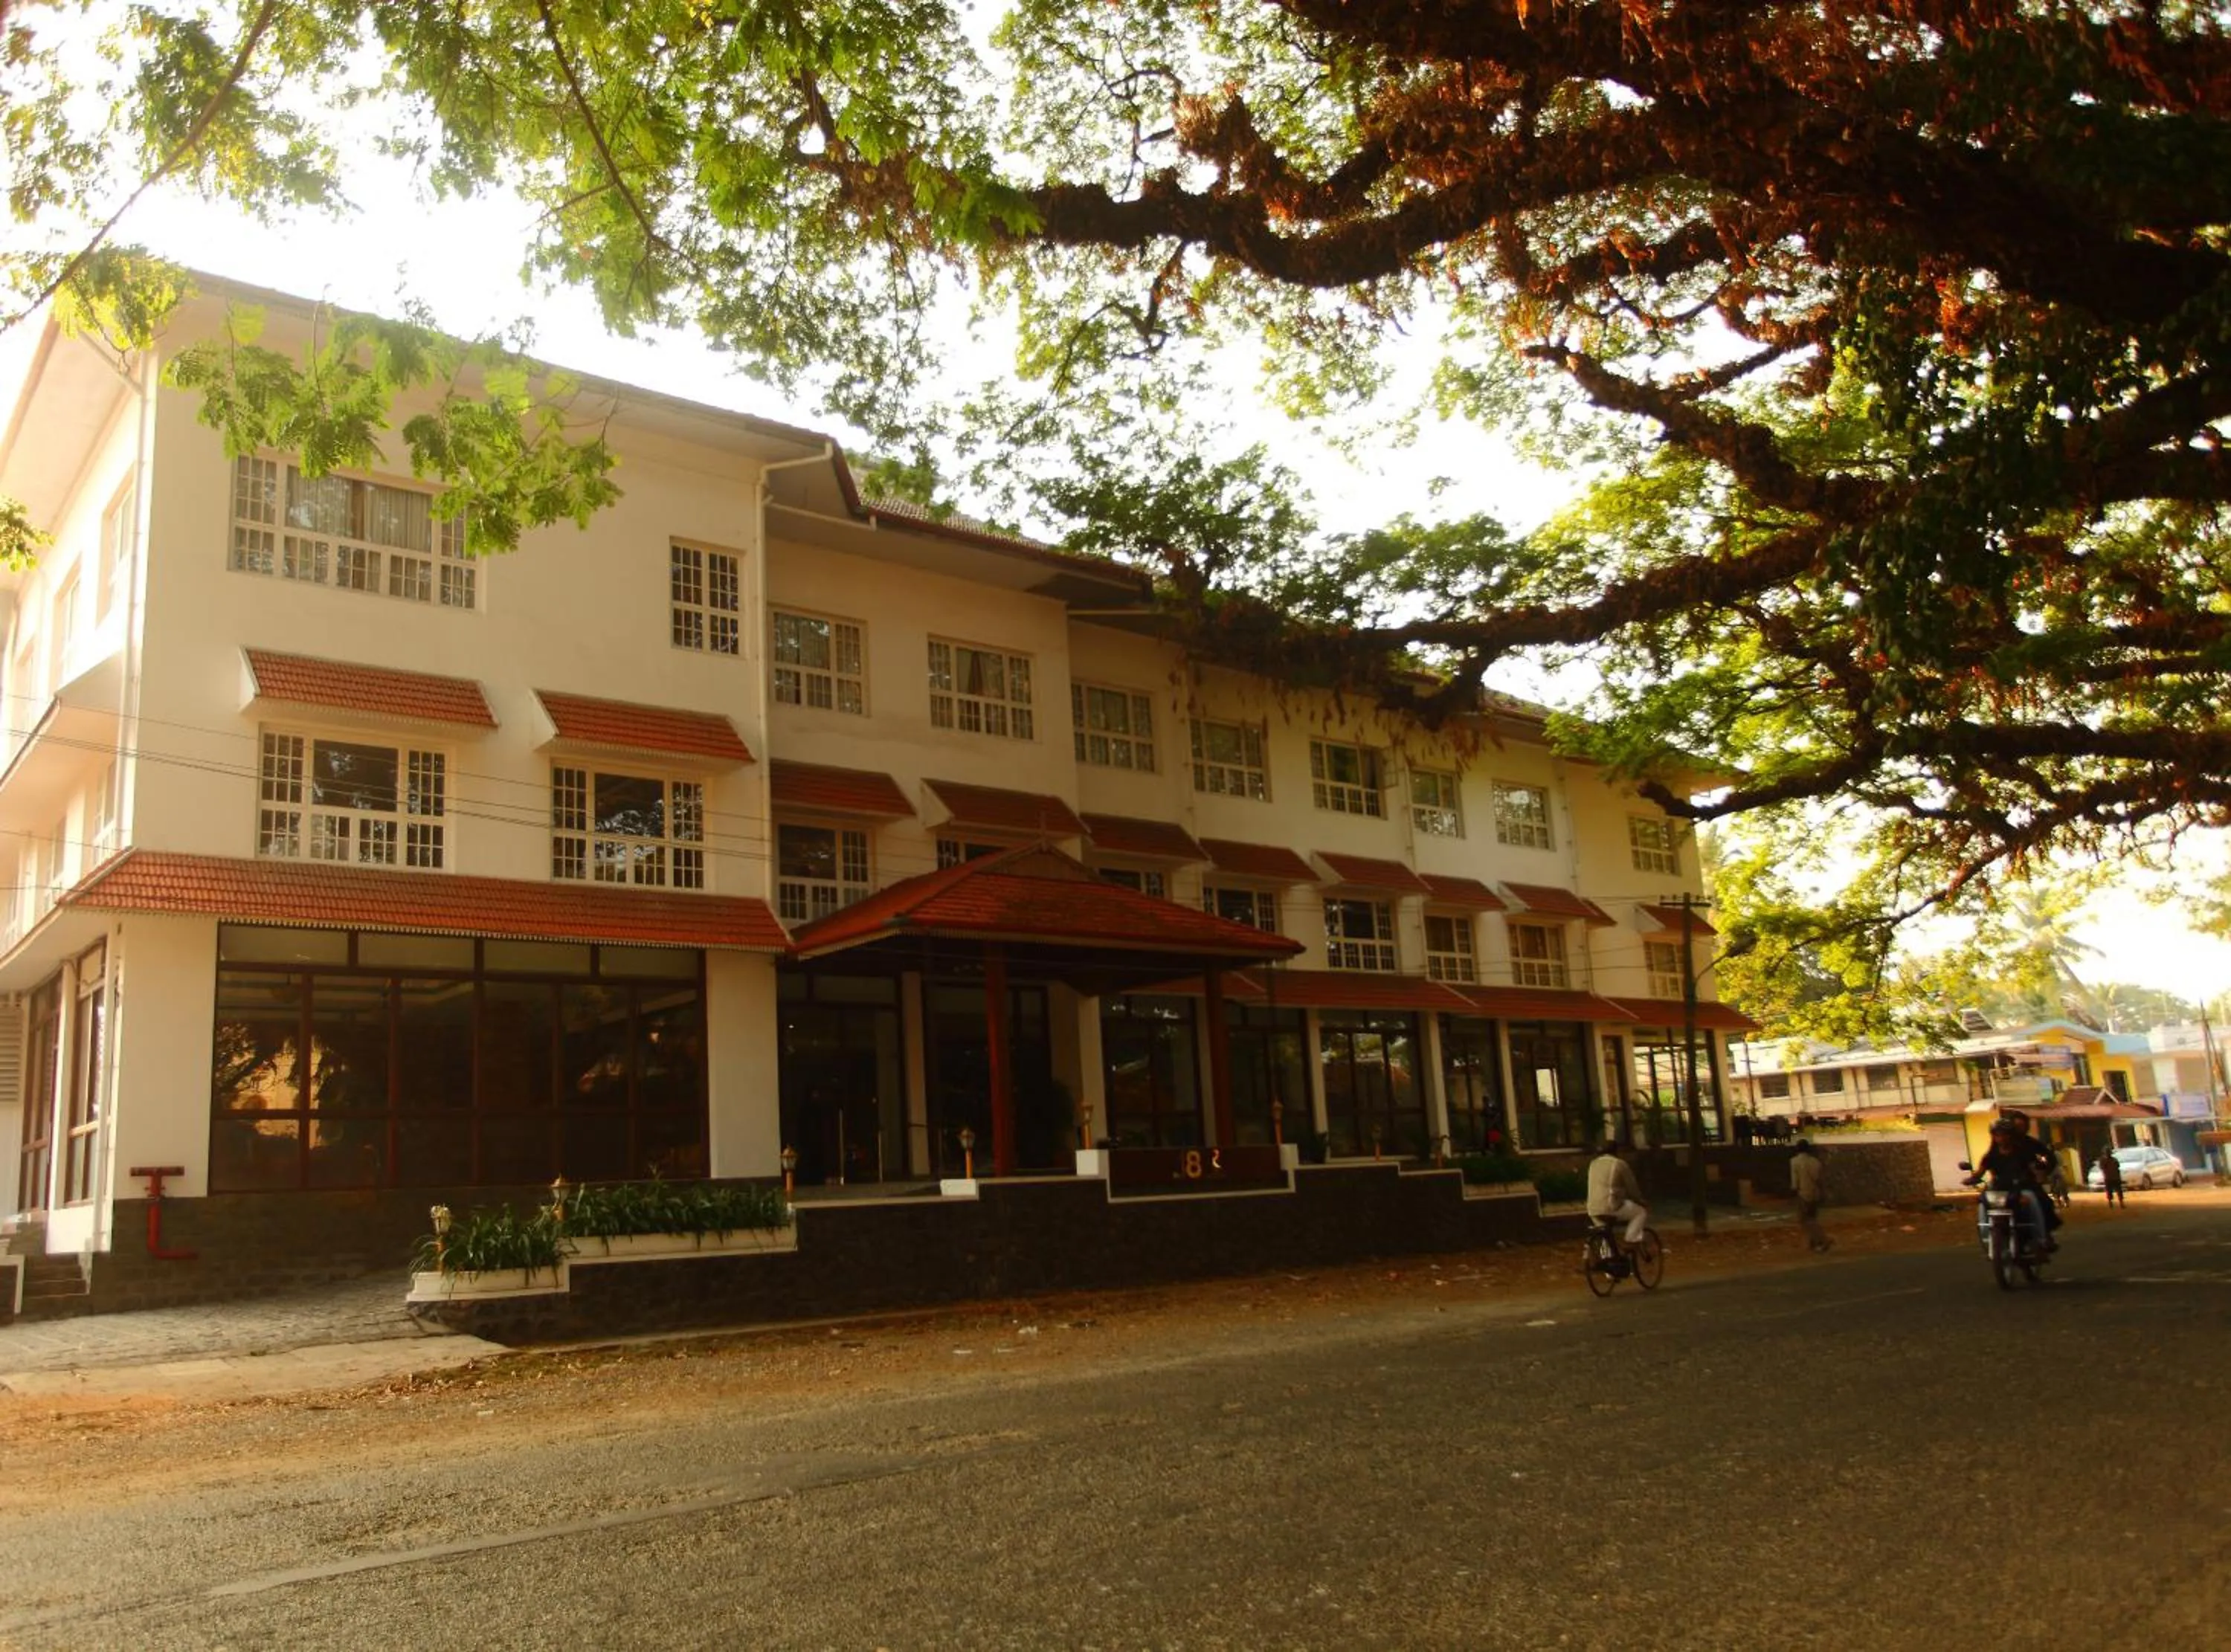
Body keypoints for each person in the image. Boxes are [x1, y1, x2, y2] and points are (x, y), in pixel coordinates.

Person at [1964, 1120, 2053, 1256]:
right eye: (1998, 1135)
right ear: (1993, 1137)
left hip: (2021, 1188)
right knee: (1982, 1202)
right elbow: (1979, 1173)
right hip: (1999, 1190)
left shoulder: (2023, 1152)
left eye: (2005, 1134)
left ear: (2011, 1136)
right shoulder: (1990, 1156)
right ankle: (1986, 1235)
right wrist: (1971, 1179)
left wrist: (2039, 1176)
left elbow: (2034, 1168)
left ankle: (2042, 1237)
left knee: (2033, 1200)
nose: (2002, 1138)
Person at [1586, 1138, 1649, 1248]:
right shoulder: (1619, 1164)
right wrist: (1640, 1201)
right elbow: (1632, 1188)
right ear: (1616, 1151)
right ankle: (1631, 1239)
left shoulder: (1593, 1164)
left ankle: (1605, 1259)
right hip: (1611, 1207)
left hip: (1593, 1208)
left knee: (1604, 1236)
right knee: (1640, 1212)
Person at [1789, 1138, 1832, 1252]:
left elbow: (1795, 1181)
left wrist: (1793, 1192)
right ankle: (1812, 1244)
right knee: (1813, 1218)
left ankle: (1823, 1239)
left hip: (1803, 1193)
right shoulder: (1815, 1162)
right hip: (1815, 1193)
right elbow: (1820, 1180)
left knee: (1805, 1220)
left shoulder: (1794, 1162)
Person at [2098, 1142, 2126, 1208]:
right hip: (2111, 1177)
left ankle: (2116, 1203)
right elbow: (2117, 1167)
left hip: (2111, 1177)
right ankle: (2115, 1203)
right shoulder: (2108, 1160)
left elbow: (2117, 1167)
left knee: (2115, 1191)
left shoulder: (2107, 1160)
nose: (2108, 1153)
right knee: (2115, 1191)